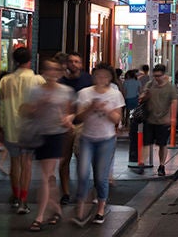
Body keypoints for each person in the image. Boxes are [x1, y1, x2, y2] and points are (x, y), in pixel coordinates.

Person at [20, 58, 74, 231]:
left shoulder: (65, 91)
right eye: (48, 69)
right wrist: (39, 106)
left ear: (59, 73)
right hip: (38, 134)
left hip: (56, 135)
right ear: (43, 72)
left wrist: (67, 120)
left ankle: (39, 216)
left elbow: (69, 113)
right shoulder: (35, 91)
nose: (51, 73)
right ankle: (56, 209)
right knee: (49, 176)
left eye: (55, 70)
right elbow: (24, 111)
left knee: (45, 175)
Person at [73, 63, 124, 226]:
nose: (101, 79)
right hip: (87, 137)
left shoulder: (115, 95)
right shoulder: (84, 93)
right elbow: (78, 118)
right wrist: (90, 108)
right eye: (98, 75)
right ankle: (80, 207)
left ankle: (100, 209)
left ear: (110, 78)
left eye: (104, 76)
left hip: (106, 139)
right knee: (82, 173)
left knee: (101, 177)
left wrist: (107, 110)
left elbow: (117, 119)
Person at [0, 47, 45, 213]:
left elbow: (2, 107)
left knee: (14, 164)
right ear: (29, 60)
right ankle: (23, 200)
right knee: (27, 164)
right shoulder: (38, 81)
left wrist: (2, 127)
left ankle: (16, 197)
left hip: (10, 127)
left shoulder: (5, 81)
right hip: (29, 129)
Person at [57, 53, 92, 206]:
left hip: (83, 124)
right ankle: (65, 193)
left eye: (76, 61)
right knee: (63, 160)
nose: (73, 64)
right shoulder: (61, 82)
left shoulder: (88, 80)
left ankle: (81, 191)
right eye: (70, 61)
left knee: (81, 159)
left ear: (81, 64)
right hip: (64, 126)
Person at [141, 64, 178, 177]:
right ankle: (141, 164)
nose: (156, 78)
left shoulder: (170, 88)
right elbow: (142, 99)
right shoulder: (150, 84)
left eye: (159, 76)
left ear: (164, 75)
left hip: (163, 120)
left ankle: (162, 165)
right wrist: (145, 95)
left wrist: (172, 118)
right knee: (146, 143)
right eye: (155, 76)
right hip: (150, 119)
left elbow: (174, 102)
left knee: (162, 144)